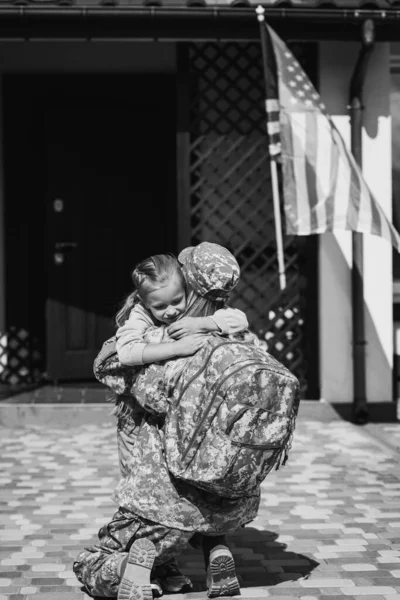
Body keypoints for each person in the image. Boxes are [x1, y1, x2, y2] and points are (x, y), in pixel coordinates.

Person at [74, 244, 256, 599]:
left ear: (188, 286)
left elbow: (110, 364)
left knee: (123, 538)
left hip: (156, 469)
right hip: (216, 471)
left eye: (177, 300)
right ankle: (214, 551)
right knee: (203, 509)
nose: (171, 312)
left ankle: (134, 566)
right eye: (162, 306)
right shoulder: (233, 342)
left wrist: (190, 332)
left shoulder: (171, 334)